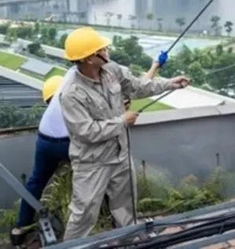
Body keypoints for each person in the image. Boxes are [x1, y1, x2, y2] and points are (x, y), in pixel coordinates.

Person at [59, 27, 190, 240]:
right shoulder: (71, 94)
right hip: (92, 163)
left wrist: (170, 84)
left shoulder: (112, 71)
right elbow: (86, 132)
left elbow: (138, 87)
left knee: (125, 207)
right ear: (91, 58)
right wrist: (123, 120)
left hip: (119, 154)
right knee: (84, 213)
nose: (107, 49)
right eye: (102, 48)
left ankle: (131, 241)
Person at [10, 74, 72, 245]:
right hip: (69, 144)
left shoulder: (49, 114)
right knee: (96, 172)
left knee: (36, 180)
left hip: (45, 143)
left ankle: (22, 225)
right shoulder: (70, 100)